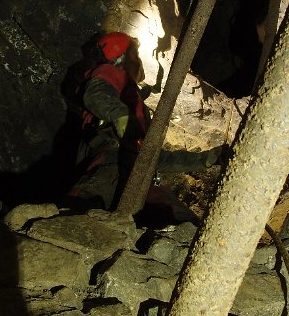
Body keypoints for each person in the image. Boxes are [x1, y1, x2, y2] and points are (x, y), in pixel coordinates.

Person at [62, 31, 221, 216]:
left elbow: (155, 158)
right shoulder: (110, 71)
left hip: (137, 173)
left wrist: (205, 159)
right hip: (113, 160)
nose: (138, 60)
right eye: (134, 54)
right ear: (121, 57)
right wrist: (123, 118)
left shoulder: (133, 101)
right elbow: (96, 94)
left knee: (179, 218)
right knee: (79, 211)